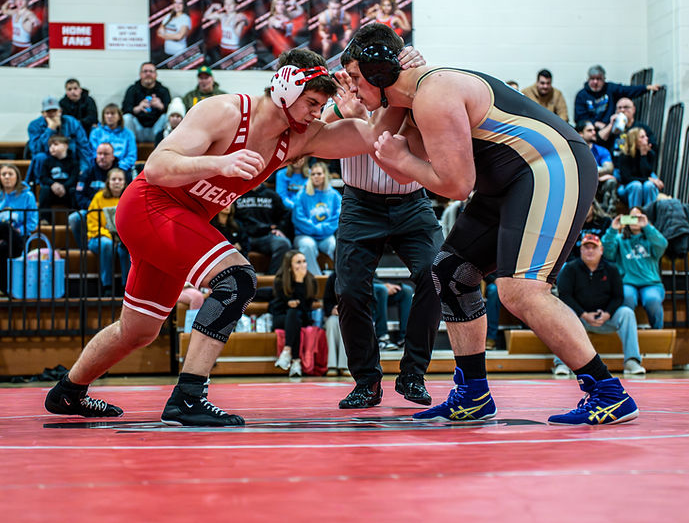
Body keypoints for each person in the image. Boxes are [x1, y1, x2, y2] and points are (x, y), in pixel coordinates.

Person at [44, 46, 422, 427]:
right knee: (237, 278)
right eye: (310, 103)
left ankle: (68, 391)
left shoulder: (298, 138)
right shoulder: (225, 111)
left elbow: (376, 135)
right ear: (285, 90)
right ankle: (188, 396)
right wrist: (218, 162)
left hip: (180, 222)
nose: (315, 113)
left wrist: (392, 84)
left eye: (320, 105)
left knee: (138, 331)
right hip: (149, 206)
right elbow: (157, 167)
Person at [344, 22, 636, 425]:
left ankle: (607, 391)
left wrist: (406, 162)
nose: (354, 88)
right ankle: (473, 393)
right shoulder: (407, 98)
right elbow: (374, 138)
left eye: (357, 78)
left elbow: (458, 185)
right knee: (449, 272)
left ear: (379, 74)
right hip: (511, 179)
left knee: (521, 291)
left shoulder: (432, 94)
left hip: (550, 166)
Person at [327, 69, 442, 408]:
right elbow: (318, 125)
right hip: (360, 204)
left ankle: (413, 374)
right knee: (348, 289)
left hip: (412, 202)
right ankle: (367, 381)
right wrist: (341, 113)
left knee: (436, 274)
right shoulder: (345, 93)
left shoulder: (411, 90)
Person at [557, 232, 645, 376]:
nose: (590, 251)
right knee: (564, 313)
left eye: (593, 247)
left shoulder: (611, 269)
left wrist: (607, 314)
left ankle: (632, 361)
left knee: (627, 313)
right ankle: (562, 364)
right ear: (581, 250)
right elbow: (565, 296)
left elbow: (618, 297)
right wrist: (584, 314)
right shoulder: (570, 269)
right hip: (579, 320)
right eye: (586, 247)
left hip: (606, 318)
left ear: (601, 250)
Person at [601, 207, 668, 329]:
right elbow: (606, 252)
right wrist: (612, 229)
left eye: (638, 217)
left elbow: (662, 244)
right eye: (632, 217)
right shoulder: (620, 239)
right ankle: (627, 330)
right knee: (627, 297)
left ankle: (657, 332)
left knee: (652, 299)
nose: (635, 221)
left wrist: (647, 226)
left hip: (651, 283)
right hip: (627, 282)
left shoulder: (650, 239)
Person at [0, 163, 38, 294]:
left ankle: (1, 289)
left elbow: (32, 222)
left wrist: (18, 231)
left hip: (18, 237)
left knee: (4, 248)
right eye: (3, 174)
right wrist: (2, 229)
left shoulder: (27, 196)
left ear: (17, 177)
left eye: (10, 174)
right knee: (4, 227)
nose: (7, 177)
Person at [271, 250, 317, 378]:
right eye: (298, 262)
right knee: (292, 314)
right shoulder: (280, 280)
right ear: (289, 266)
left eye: (304, 261)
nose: (303, 265)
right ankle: (296, 361)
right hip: (281, 317)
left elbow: (306, 307)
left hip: (302, 317)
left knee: (294, 314)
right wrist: (290, 303)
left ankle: (287, 351)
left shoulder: (311, 280)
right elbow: (279, 304)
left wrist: (300, 282)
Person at [292, 161, 341, 276]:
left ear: (325, 175)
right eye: (313, 174)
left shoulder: (334, 195)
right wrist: (316, 229)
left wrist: (322, 229)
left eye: (319, 174)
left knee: (334, 245)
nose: (316, 177)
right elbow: (298, 219)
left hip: (326, 236)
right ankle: (316, 279)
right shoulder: (302, 194)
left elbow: (337, 218)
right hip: (304, 235)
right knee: (308, 245)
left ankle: (336, 277)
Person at [86, 168, 130, 296]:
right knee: (106, 244)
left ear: (124, 182)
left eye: (120, 179)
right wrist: (110, 236)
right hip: (99, 237)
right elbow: (92, 223)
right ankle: (107, 286)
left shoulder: (129, 197)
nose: (117, 182)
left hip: (122, 238)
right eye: (113, 179)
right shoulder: (99, 197)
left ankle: (127, 287)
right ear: (108, 182)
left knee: (126, 248)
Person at [26, 96, 92, 180]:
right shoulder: (34, 125)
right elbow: (36, 149)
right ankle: (40, 185)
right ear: (43, 114)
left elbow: (83, 147)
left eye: (55, 111)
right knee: (40, 157)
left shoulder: (72, 122)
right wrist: (50, 129)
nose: (52, 114)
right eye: (48, 112)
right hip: (48, 161)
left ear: (60, 111)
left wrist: (84, 169)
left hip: (69, 160)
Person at [574, 64, 659, 128]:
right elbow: (580, 118)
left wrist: (646, 87)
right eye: (592, 79)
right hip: (590, 130)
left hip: (610, 128)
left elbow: (627, 90)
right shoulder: (581, 95)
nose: (595, 82)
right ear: (588, 79)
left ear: (604, 79)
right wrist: (596, 124)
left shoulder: (610, 88)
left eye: (598, 79)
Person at [234, 184, 292, 274]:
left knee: (283, 244)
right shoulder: (238, 194)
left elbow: (284, 215)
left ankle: (271, 280)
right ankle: (242, 280)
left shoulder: (271, 195)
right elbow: (232, 217)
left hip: (266, 236)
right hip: (244, 236)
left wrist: (280, 229)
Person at [122, 62, 172, 143]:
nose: (148, 74)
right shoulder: (132, 89)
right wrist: (138, 108)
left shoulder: (163, 90)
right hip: (138, 129)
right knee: (126, 118)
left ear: (156, 74)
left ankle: (164, 148)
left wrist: (161, 106)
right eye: (145, 71)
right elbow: (124, 109)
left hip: (156, 129)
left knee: (167, 116)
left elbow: (171, 110)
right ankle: (130, 147)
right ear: (140, 74)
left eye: (151, 71)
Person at [616, 127, 663, 208]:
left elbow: (646, 174)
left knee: (649, 185)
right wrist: (648, 179)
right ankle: (635, 216)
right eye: (642, 137)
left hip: (644, 187)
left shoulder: (650, 154)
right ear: (635, 141)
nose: (647, 138)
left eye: (646, 136)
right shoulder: (624, 156)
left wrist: (643, 155)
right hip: (628, 188)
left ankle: (649, 217)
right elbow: (627, 179)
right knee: (636, 185)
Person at [88, 103, 137, 174]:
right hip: (99, 168)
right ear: (103, 116)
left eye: (113, 113)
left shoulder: (128, 134)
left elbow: (131, 156)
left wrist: (118, 167)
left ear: (119, 116)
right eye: (107, 113)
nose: (109, 116)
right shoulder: (96, 133)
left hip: (121, 169)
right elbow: (92, 153)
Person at [36, 135, 79, 215]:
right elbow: (43, 177)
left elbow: (74, 178)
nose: (52, 147)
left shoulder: (73, 162)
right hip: (52, 190)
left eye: (55, 144)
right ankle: (44, 219)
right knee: (44, 190)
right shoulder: (47, 161)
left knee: (73, 191)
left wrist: (64, 187)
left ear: (66, 146)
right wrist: (53, 184)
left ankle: (73, 218)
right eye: (50, 145)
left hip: (67, 190)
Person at [372, 279, 414, 351]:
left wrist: (384, 284)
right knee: (382, 290)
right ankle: (382, 339)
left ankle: (404, 339)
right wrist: (384, 285)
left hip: (374, 283)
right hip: (358, 287)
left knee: (407, 291)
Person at [321, 271, 346, 375]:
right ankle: (331, 365)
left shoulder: (359, 275)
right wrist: (332, 309)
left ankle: (345, 365)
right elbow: (326, 301)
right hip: (335, 315)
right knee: (331, 323)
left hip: (354, 316)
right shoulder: (333, 277)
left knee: (346, 325)